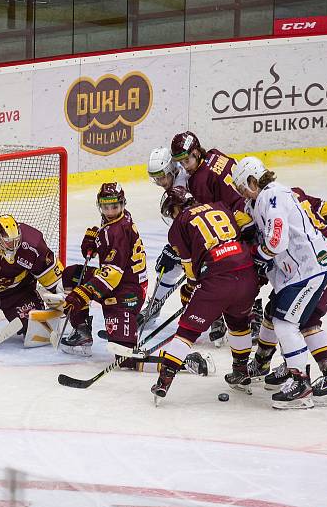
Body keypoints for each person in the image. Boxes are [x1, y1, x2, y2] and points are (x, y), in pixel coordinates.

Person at [238, 157, 327, 406]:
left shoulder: (271, 196)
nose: (242, 194)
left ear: (253, 181)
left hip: (307, 271)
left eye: (243, 187)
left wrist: (259, 256)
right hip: (299, 272)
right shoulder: (261, 199)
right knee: (299, 320)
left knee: (284, 323)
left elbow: (276, 242)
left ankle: (299, 383)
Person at [150, 186, 258, 401]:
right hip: (247, 274)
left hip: (217, 281)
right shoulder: (221, 206)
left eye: (171, 211)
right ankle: (241, 371)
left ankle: (164, 380)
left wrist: (192, 287)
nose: (172, 216)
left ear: (176, 207)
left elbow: (189, 269)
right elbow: (249, 224)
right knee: (239, 324)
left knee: (187, 332)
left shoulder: (179, 223)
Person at [170, 130, 263, 343]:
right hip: (252, 211)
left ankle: (248, 314)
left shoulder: (199, 181)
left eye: (186, 159)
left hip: (243, 224)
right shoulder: (215, 155)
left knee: (232, 271)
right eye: (180, 162)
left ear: (196, 152)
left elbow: (206, 217)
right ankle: (231, 314)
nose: (184, 166)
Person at [59, 183, 148, 362]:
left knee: (125, 358)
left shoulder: (117, 231)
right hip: (119, 280)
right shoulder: (119, 218)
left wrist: (85, 292)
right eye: (105, 206)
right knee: (72, 274)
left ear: (122, 203)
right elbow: (114, 255)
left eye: (114, 206)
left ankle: (174, 363)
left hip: (127, 292)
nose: (109, 211)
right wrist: (96, 244)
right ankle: (82, 332)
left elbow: (113, 273)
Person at [141, 147, 188, 326]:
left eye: (162, 176)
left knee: (206, 277)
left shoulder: (183, 185)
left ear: (171, 169)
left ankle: (218, 319)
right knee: (168, 266)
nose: (160, 182)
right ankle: (155, 306)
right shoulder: (177, 180)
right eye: (156, 178)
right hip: (194, 233)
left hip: (209, 237)